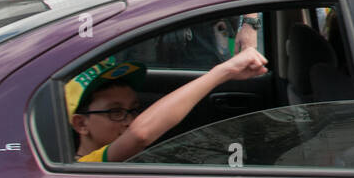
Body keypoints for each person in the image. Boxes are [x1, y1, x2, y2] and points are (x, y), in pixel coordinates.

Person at [69, 49, 269, 162]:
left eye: (133, 109)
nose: (129, 121)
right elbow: (141, 134)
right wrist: (223, 72)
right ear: (81, 124)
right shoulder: (86, 165)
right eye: (116, 112)